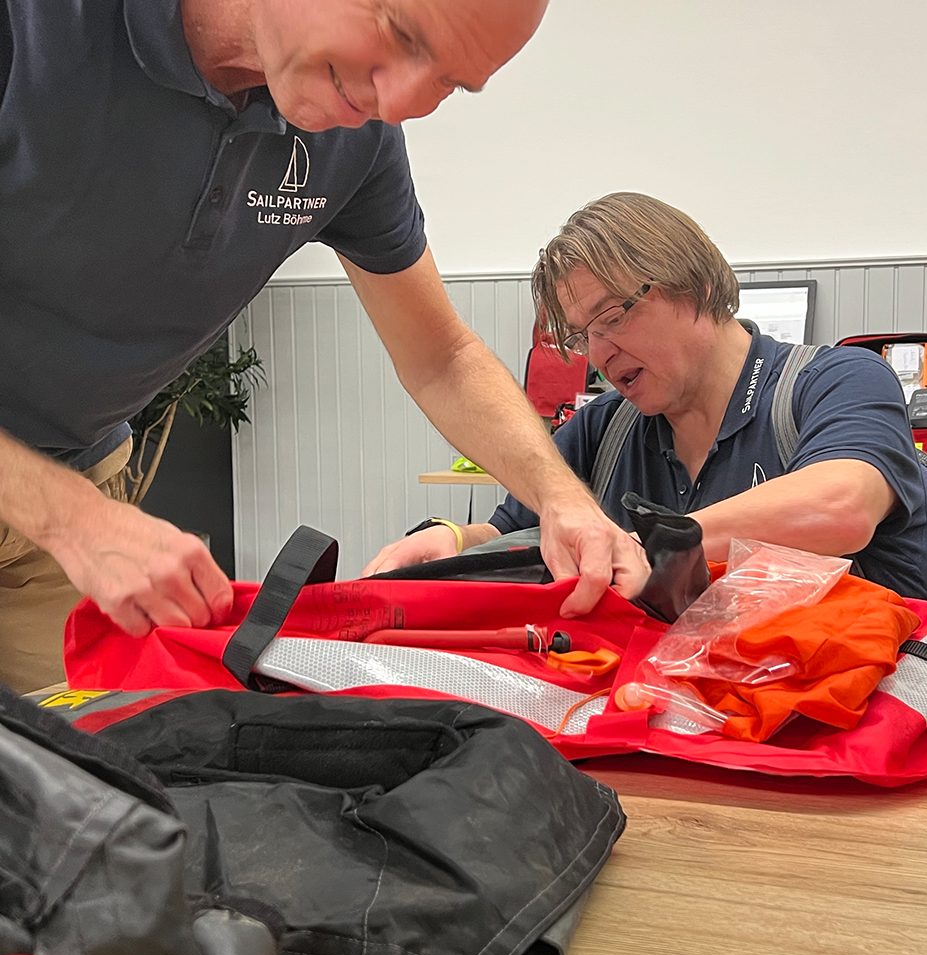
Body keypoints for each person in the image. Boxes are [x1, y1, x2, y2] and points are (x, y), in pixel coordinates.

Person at [0, 0, 647, 694]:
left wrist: (561, 499)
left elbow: (442, 358)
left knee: (83, 742)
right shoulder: (34, 28)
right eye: (399, 33)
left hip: (71, 484)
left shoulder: (358, 136)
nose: (395, 102)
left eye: (449, 82)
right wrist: (73, 519)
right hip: (61, 508)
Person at [365, 192, 927, 605]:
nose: (599, 353)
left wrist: (641, 546)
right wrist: (454, 540)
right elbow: (516, 529)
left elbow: (841, 506)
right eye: (583, 336)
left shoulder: (839, 381)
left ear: (695, 285)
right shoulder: (603, 429)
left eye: (613, 316)